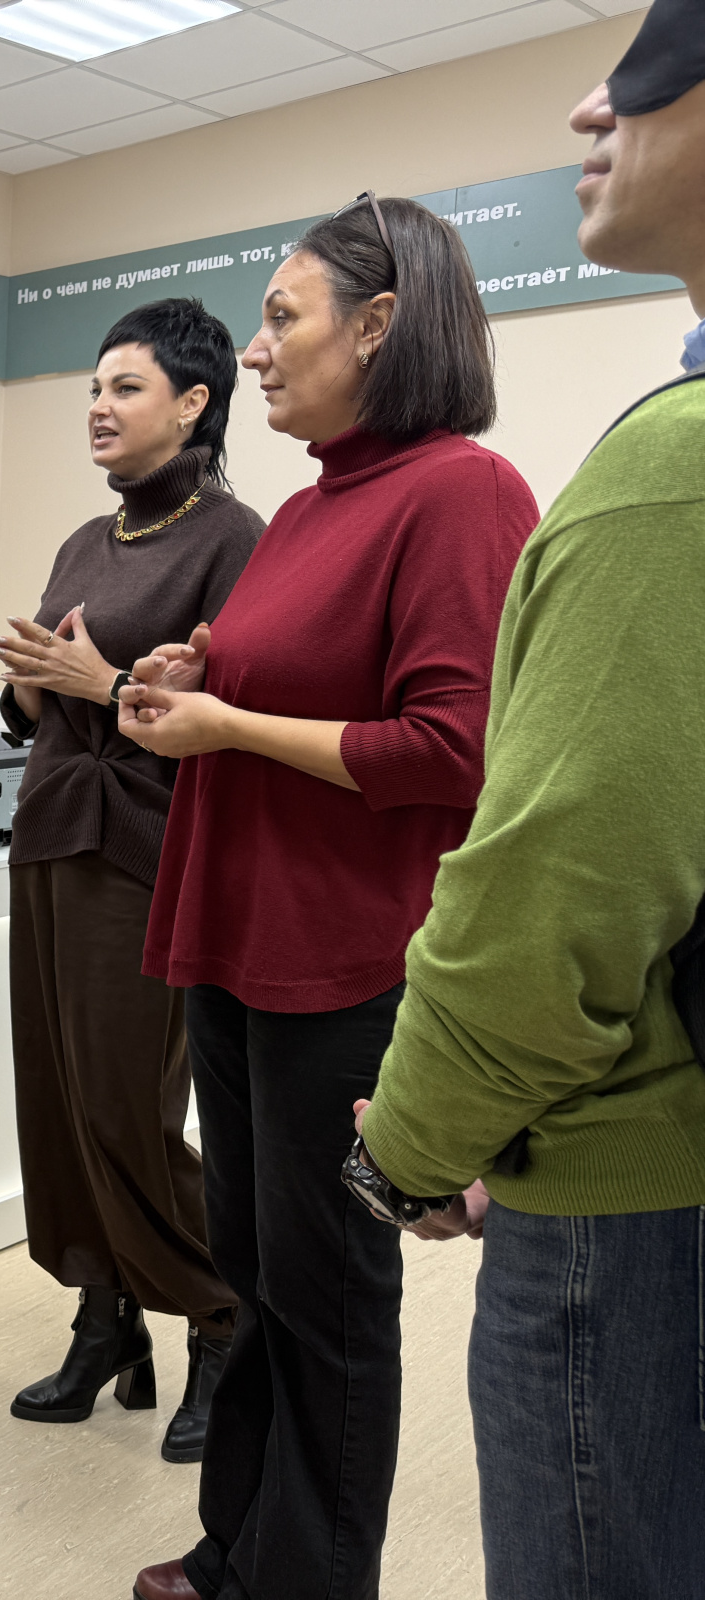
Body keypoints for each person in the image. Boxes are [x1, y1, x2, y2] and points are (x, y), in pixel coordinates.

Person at [117, 199, 539, 1600]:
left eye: (281, 317)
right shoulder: (307, 506)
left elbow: (454, 748)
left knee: (327, 1293)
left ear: (379, 325)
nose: (254, 350)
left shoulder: (463, 492)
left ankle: (308, 1577)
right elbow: (290, 684)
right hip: (241, 942)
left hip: (342, 960)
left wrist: (230, 724)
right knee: (253, 1273)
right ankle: (238, 1542)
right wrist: (196, 677)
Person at [355, 18, 705, 1596]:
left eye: (648, 65)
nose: (588, 106)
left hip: (634, 1185)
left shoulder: (663, 480)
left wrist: (408, 1148)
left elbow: (553, 894)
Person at [0, 300, 261, 1462]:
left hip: (148, 847)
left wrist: (96, 683)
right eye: (93, 389)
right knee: (56, 1102)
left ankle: (220, 1315)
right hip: (52, 828)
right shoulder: (82, 541)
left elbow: (229, 722)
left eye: (126, 387)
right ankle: (105, 1320)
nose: (98, 407)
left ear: (194, 404)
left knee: (126, 1110)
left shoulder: (236, 540)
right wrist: (32, 685)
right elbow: (35, 706)